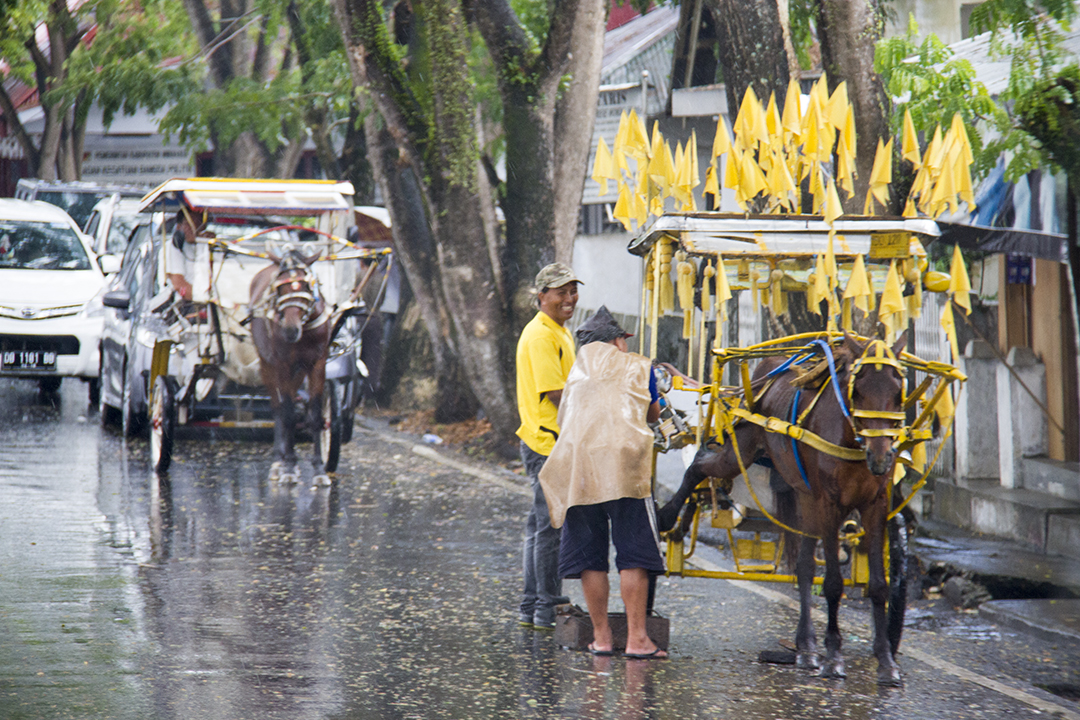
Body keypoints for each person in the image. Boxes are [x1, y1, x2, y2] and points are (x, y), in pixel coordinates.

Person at [538, 305, 668, 659]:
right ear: (616, 342)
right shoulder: (640, 366)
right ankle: (639, 640)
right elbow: (654, 413)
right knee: (633, 555)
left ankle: (602, 638)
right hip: (626, 469)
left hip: (578, 470)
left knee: (589, 556)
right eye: (623, 341)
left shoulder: (574, 377)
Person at [516, 262, 581, 630]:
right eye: (561, 292)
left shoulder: (557, 331)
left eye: (573, 290)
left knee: (539, 526)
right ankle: (546, 605)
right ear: (542, 297)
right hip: (546, 442)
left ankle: (532, 604)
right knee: (550, 528)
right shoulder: (542, 335)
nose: (569, 298)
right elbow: (557, 393)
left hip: (545, 439)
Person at [165, 208, 213, 301]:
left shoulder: (204, 246)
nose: (194, 227)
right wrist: (204, 299)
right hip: (186, 304)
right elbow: (179, 284)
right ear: (179, 227)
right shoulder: (174, 246)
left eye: (197, 223)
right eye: (188, 224)